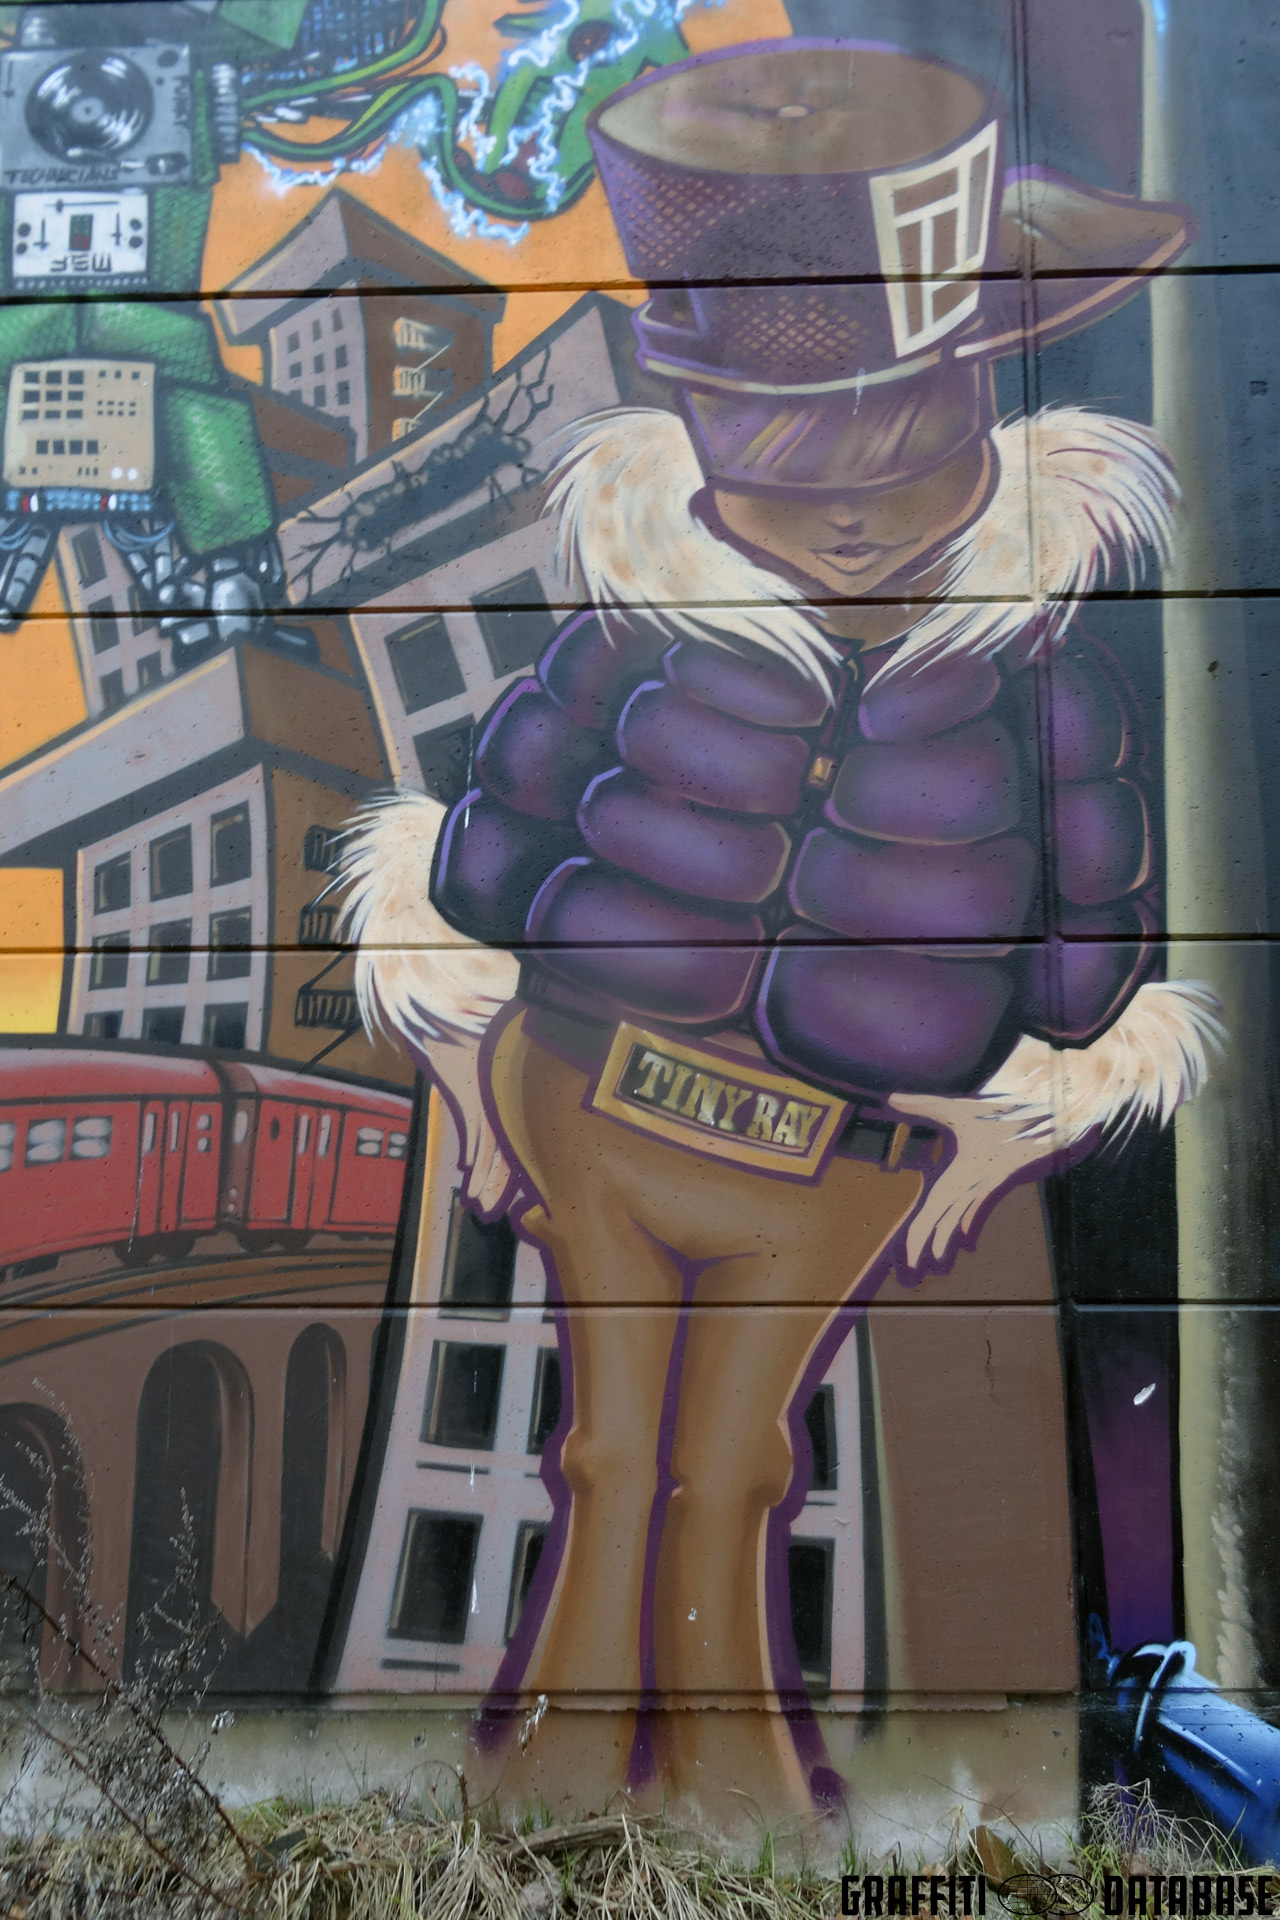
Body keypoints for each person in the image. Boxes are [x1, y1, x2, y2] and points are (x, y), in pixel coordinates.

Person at [338, 39, 1222, 1823]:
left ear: (977, 396)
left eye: (898, 426)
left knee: (737, 1456)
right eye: (785, 436)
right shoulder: (634, 629)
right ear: (698, 426)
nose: (850, 493)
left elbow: (1088, 954)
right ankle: (565, 1779)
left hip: (832, 1148)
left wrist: (1015, 1113)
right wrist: (477, 1080)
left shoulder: (1036, 674)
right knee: (608, 1443)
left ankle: (728, 1793)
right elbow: (489, 863)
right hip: (596, 1093)